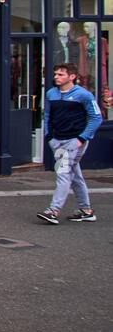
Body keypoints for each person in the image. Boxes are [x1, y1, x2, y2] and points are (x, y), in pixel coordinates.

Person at [37, 62, 101, 224]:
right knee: (74, 175)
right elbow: (47, 115)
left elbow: (96, 118)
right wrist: (49, 136)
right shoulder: (52, 93)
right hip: (57, 140)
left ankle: (53, 210)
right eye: (56, 74)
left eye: (61, 74)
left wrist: (82, 139)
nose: (56, 77)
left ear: (72, 77)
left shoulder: (84, 95)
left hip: (74, 140)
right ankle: (86, 210)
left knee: (63, 172)